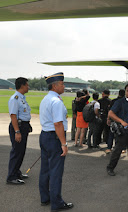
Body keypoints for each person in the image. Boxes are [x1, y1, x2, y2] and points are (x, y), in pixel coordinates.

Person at [39, 72, 73, 211]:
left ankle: (45, 198)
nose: (64, 86)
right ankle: (57, 203)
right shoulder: (56, 102)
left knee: (45, 170)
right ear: (54, 86)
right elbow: (58, 124)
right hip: (54, 138)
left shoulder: (46, 99)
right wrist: (64, 144)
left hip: (45, 136)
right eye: (62, 84)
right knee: (56, 172)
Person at [7, 77, 31, 185]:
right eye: (27, 85)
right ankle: (11, 176)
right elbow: (13, 116)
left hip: (23, 126)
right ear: (22, 86)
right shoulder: (15, 99)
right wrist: (17, 131)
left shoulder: (21, 98)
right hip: (18, 127)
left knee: (21, 151)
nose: (28, 87)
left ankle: (16, 172)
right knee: (17, 152)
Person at [106, 89, 125, 154]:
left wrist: (108, 119)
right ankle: (121, 148)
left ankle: (109, 148)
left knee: (111, 134)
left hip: (113, 120)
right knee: (121, 134)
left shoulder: (113, 101)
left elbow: (110, 111)